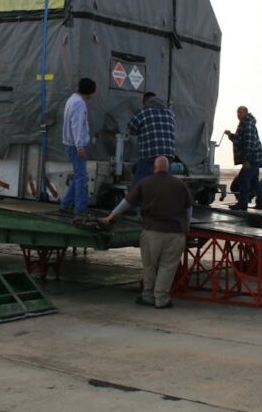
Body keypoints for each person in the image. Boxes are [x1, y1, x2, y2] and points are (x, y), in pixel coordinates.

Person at [100, 155, 192, 309]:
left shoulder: (145, 182)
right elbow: (188, 208)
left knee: (149, 266)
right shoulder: (180, 184)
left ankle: (147, 296)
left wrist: (111, 215)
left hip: (151, 233)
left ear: (154, 167)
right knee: (167, 267)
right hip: (174, 233)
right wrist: (187, 226)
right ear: (168, 168)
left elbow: (127, 202)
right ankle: (161, 299)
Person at [61, 78, 96, 222]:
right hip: (76, 146)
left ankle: (66, 205)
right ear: (89, 91)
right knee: (82, 177)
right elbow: (77, 126)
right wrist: (80, 146)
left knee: (78, 176)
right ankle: (80, 209)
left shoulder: (72, 100)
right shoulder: (79, 104)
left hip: (71, 144)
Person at [126, 91, 176, 188]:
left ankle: (136, 202)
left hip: (150, 153)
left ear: (145, 101)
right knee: (164, 183)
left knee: (139, 183)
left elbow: (131, 129)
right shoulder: (170, 113)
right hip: (168, 153)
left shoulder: (143, 112)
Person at [225, 106, 262, 210]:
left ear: (246, 113)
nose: (238, 115)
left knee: (243, 179)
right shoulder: (245, 123)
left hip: (252, 158)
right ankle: (261, 203)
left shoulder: (247, 125)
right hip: (256, 157)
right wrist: (230, 135)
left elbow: (249, 143)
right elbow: (239, 140)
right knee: (254, 181)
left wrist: (246, 160)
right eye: (237, 112)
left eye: (240, 112)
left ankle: (243, 203)